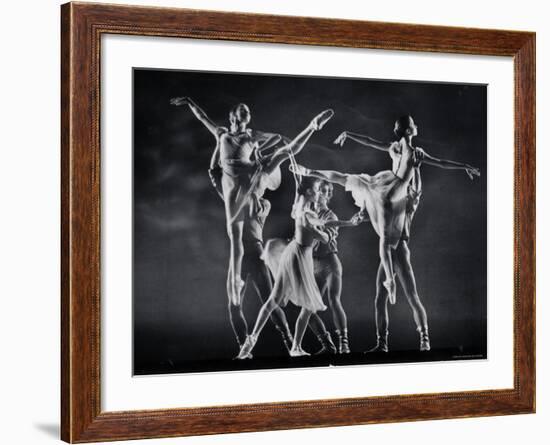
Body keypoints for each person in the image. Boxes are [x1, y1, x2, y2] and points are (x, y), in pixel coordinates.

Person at [294, 115, 480, 352]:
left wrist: (460, 166)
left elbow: (426, 171)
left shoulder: (409, 194)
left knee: (408, 293)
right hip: (389, 204)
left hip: (396, 239)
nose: (417, 125)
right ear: (410, 129)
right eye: (414, 123)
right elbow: (376, 144)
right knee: (386, 296)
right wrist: (350, 135)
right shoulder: (407, 159)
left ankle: (423, 338)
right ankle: (385, 343)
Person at [170, 96, 333, 352]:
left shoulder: (259, 191)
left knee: (274, 303)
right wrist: (193, 105)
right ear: (232, 117)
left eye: (245, 116)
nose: (240, 119)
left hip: (255, 255)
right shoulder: (231, 186)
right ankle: (245, 348)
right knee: (236, 305)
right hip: (242, 252)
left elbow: (286, 150)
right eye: (237, 115)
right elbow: (214, 167)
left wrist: (308, 128)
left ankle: (292, 343)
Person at [237, 176, 332, 359]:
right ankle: (295, 346)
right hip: (298, 257)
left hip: (294, 254)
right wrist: (328, 230)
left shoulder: (301, 207)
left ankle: (252, 340)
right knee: (304, 303)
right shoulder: (305, 214)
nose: (320, 192)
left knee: (276, 299)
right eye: (318, 189)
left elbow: (302, 200)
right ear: (310, 192)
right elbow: (324, 237)